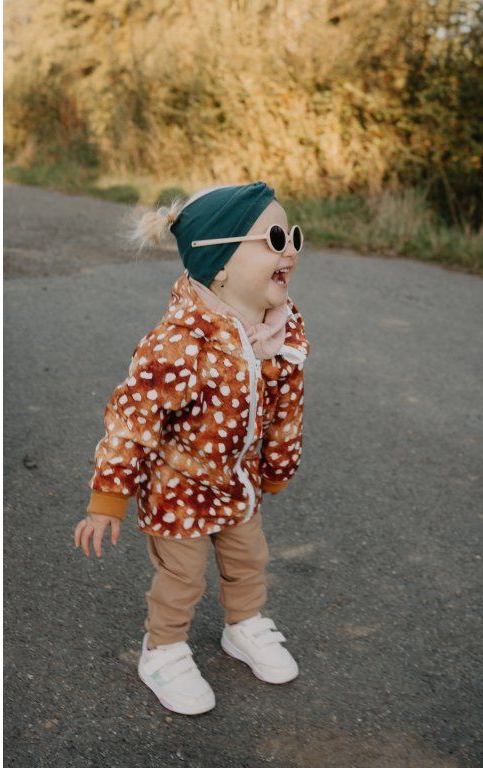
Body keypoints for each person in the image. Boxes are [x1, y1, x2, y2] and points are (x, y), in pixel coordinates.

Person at [72, 181, 311, 716]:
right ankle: (163, 650)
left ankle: (243, 626)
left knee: (249, 559)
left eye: (293, 236)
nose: (291, 250)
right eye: (274, 239)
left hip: (237, 482)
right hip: (177, 489)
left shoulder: (280, 330)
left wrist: (277, 465)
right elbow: (132, 421)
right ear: (220, 264)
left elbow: (286, 408)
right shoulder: (180, 343)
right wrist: (108, 496)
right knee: (182, 576)